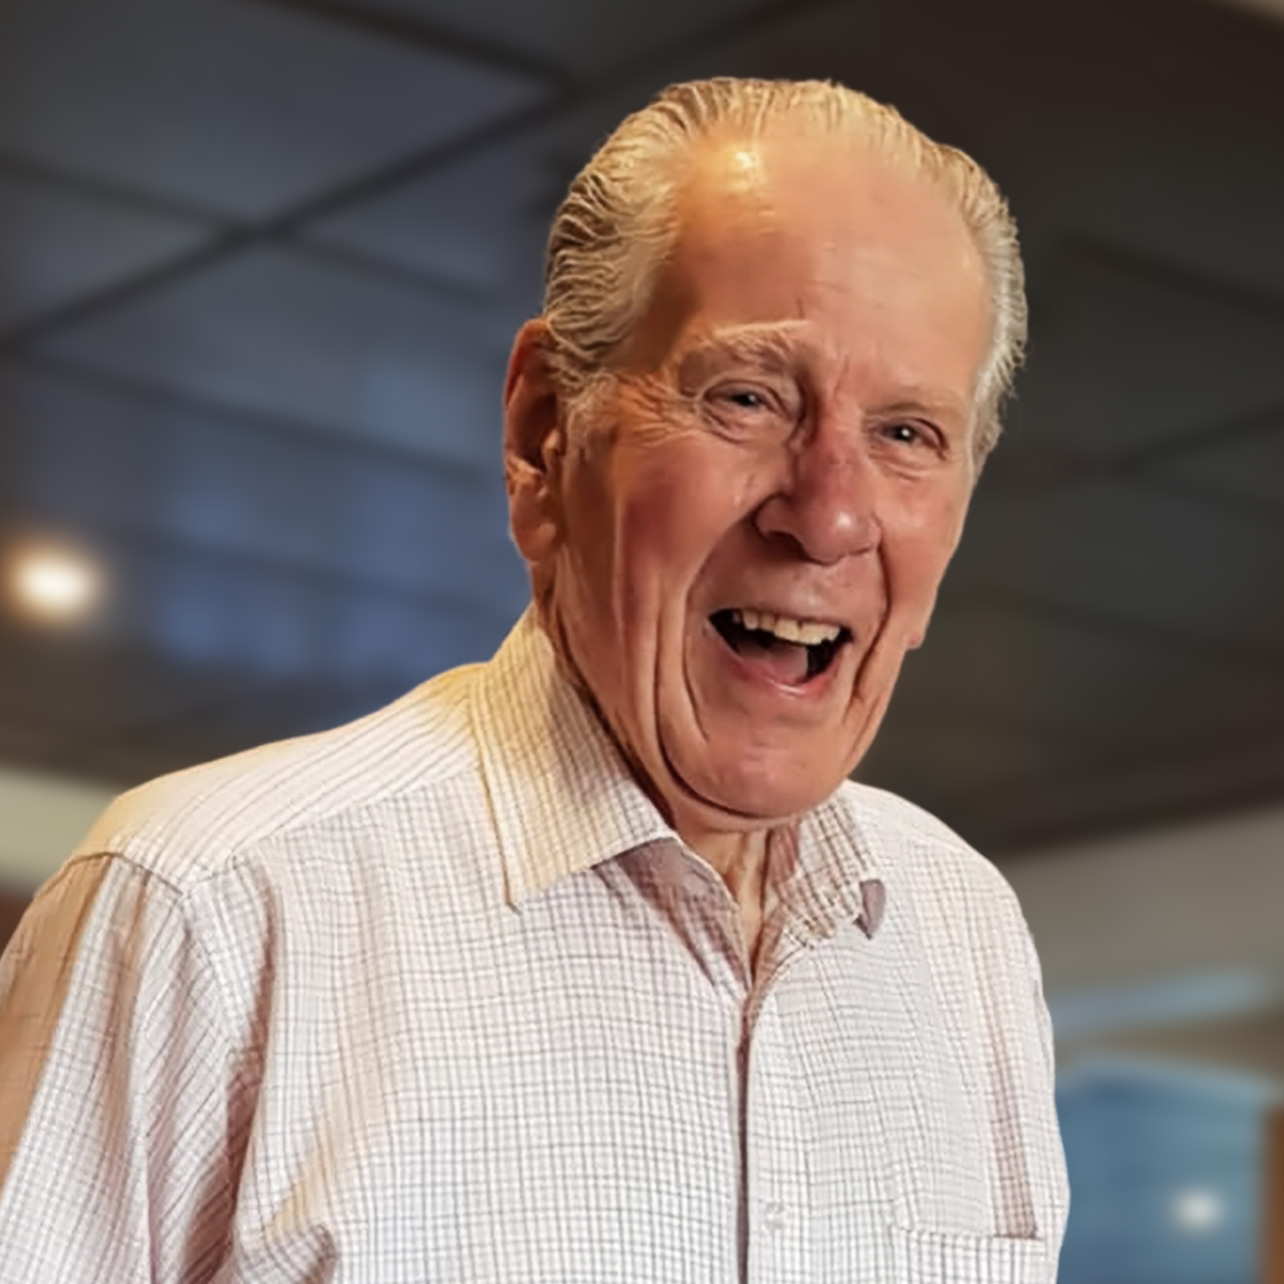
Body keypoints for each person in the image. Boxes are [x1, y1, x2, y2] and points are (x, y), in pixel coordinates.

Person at [0, 78, 1068, 1282]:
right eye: (749, 398)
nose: (827, 516)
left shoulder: (965, 933)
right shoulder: (210, 908)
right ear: (544, 431)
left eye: (907, 434)